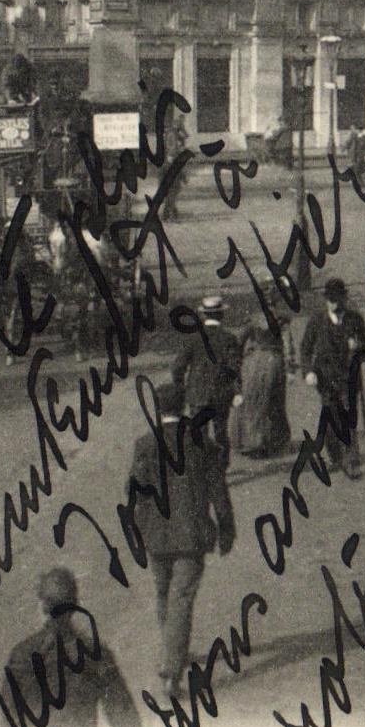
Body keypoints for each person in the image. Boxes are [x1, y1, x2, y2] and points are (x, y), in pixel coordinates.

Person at [128, 380, 234, 695]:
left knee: (164, 594)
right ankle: (172, 669)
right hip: (191, 533)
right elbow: (218, 489)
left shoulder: (144, 444)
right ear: (185, 407)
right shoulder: (201, 442)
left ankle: (172, 653)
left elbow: (133, 493)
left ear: (157, 411)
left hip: (156, 535)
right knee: (181, 598)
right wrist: (226, 527)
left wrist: (139, 529)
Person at [0, 567, 141, 727]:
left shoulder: (22, 654)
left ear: (42, 606)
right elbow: (125, 719)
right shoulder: (96, 655)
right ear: (75, 604)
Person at [300, 277, 365, 479]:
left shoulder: (355, 319)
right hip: (325, 378)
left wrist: (357, 345)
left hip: (349, 376)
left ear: (345, 298)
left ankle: (352, 461)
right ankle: (336, 456)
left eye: (338, 299)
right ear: (326, 300)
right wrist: (308, 372)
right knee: (331, 418)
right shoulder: (317, 321)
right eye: (331, 300)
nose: (335, 304)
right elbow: (305, 348)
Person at [172, 295, 241, 466]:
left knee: (198, 433)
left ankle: (200, 469)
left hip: (197, 393)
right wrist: (237, 390)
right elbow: (235, 368)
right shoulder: (229, 339)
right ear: (222, 315)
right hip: (221, 393)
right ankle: (221, 470)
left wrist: (181, 388)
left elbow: (177, 367)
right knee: (220, 432)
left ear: (203, 315)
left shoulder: (192, 338)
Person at [232, 319, 291, 459]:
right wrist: (289, 365)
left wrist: (240, 359)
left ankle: (253, 441)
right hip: (273, 363)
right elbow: (288, 345)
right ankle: (271, 441)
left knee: (255, 401)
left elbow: (238, 343)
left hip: (254, 364)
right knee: (273, 402)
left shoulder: (253, 320)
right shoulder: (281, 320)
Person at [162, 117, 188, 220]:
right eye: (180, 124)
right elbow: (172, 149)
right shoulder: (172, 134)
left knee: (172, 191)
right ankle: (171, 214)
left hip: (171, 163)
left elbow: (185, 136)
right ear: (177, 124)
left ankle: (168, 213)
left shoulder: (174, 133)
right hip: (171, 163)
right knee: (173, 190)